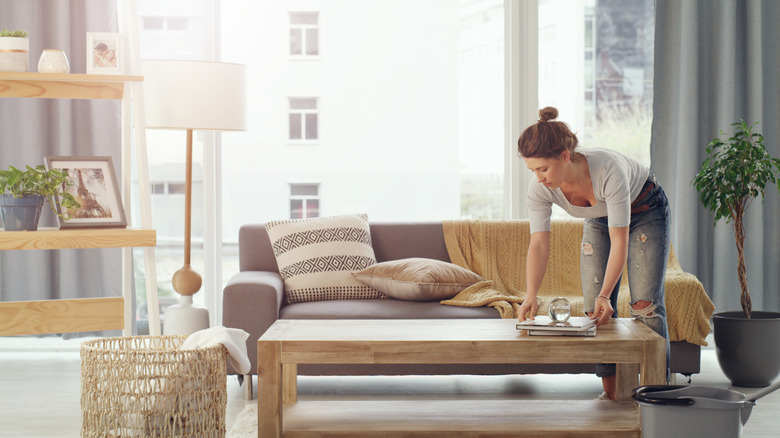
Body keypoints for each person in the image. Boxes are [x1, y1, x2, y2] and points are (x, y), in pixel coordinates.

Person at [516, 106, 671, 400]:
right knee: (593, 312)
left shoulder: (607, 169)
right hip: (599, 219)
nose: (538, 177)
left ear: (564, 156)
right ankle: (613, 396)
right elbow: (538, 244)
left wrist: (606, 293)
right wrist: (531, 294)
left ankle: (657, 397)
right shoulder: (540, 189)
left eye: (543, 169)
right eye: (532, 170)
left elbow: (620, 240)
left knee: (643, 305)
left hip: (645, 209)